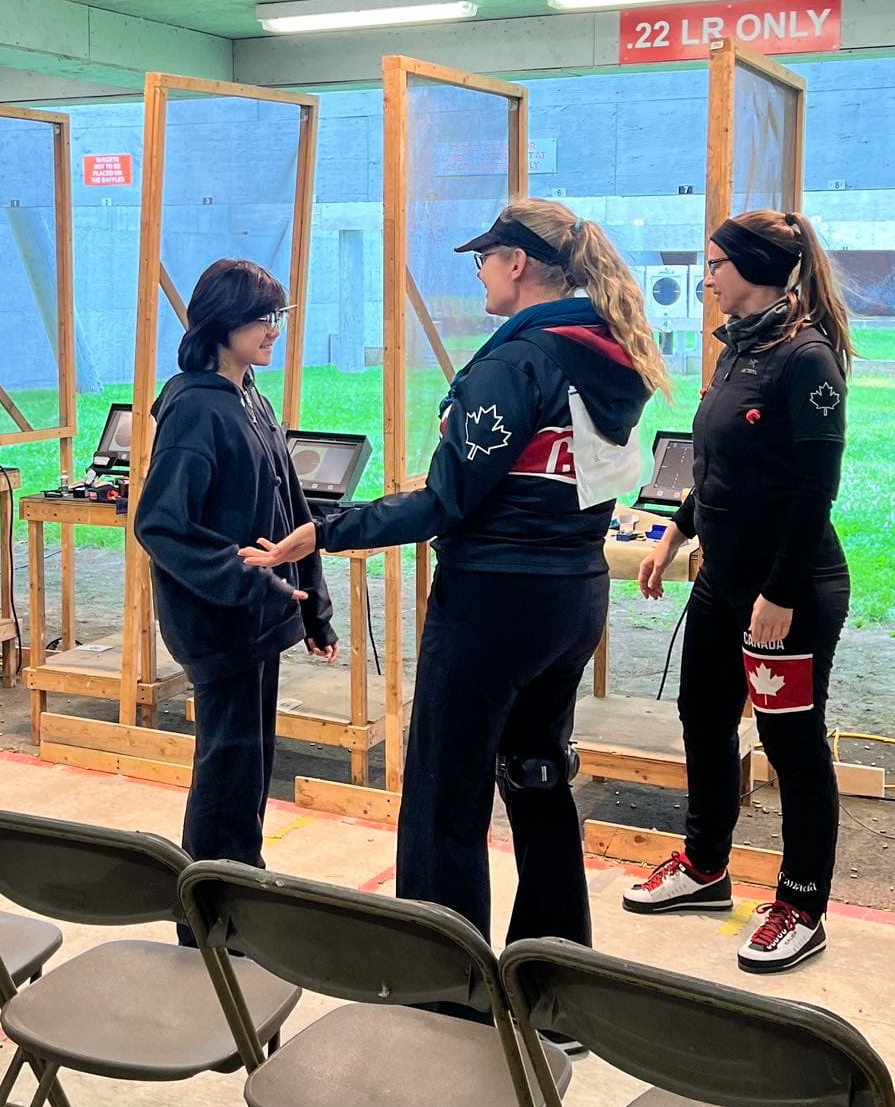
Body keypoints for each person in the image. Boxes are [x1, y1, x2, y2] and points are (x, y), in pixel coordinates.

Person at [242, 200, 670, 951]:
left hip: (492, 606)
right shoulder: (613, 352)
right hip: (573, 598)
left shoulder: (516, 361)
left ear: (517, 264)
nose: (477, 272)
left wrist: (327, 528)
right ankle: (555, 972)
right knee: (539, 775)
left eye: (484, 258)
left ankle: (446, 991)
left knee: (445, 791)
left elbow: (445, 502)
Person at [628, 208, 853, 974]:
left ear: (753, 268)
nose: (708, 277)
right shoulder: (735, 352)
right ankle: (705, 868)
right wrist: (676, 533)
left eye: (717, 264)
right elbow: (721, 467)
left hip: (789, 591)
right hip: (723, 585)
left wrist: (782, 594)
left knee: (792, 746)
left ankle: (802, 903)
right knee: (702, 719)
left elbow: (812, 489)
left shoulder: (806, 359)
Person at [133, 260, 337, 898]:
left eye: (276, 316)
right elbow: (161, 524)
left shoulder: (249, 395)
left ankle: (237, 884)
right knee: (227, 771)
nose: (273, 329)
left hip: (260, 614)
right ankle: (210, 911)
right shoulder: (195, 409)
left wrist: (312, 606)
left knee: (248, 768)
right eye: (261, 317)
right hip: (220, 621)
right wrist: (248, 582)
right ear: (222, 323)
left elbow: (290, 504)